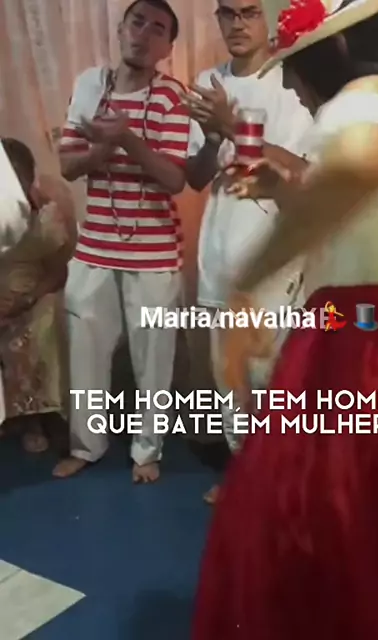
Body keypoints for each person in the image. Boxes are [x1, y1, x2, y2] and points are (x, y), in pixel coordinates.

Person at [192, 0, 378, 637]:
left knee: (343, 532)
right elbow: (366, 201)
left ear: (336, 52)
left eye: (296, 69)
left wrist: (247, 283)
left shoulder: (365, 97)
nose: (295, 87)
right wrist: (286, 191)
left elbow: (358, 167)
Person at [53, 0, 190, 483]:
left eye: (158, 29)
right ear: (120, 28)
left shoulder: (173, 97)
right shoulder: (91, 85)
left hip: (155, 253)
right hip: (95, 247)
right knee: (85, 354)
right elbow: (68, 165)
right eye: (138, 22)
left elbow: (175, 178)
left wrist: (126, 138)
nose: (144, 34)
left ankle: (147, 451)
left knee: (154, 360)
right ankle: (85, 446)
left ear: (167, 48)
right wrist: (105, 145)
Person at [183, 0, 312, 504]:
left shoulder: (292, 80)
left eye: (249, 12)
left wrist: (234, 124)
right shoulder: (209, 82)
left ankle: (281, 481)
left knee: (272, 378)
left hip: (273, 254)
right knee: (230, 379)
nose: (237, 24)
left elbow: (300, 172)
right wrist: (213, 137)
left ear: (269, 17)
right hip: (219, 250)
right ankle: (244, 472)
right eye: (228, 13)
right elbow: (196, 177)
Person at [0, 138, 76, 452]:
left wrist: (27, 300)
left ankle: (38, 417)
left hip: (33, 295)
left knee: (44, 320)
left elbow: (60, 272)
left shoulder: (49, 211)